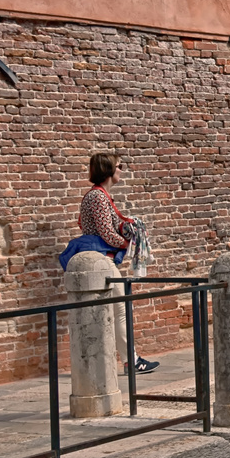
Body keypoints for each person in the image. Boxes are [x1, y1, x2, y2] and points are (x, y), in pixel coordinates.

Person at [73, 153, 158, 375]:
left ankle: (121, 360)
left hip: (102, 260)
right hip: (101, 260)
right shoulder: (99, 197)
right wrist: (129, 244)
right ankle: (131, 361)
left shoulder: (100, 196)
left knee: (114, 311)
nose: (122, 170)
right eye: (120, 166)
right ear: (109, 169)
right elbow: (106, 234)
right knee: (121, 310)